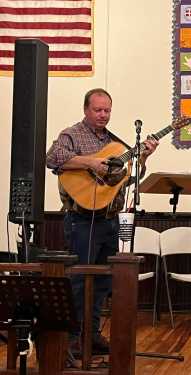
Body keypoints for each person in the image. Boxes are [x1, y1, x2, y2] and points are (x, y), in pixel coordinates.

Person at [46, 88, 159, 357]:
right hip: (81, 219)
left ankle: (92, 334)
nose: (103, 115)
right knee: (79, 279)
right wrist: (91, 163)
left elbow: (128, 177)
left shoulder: (116, 142)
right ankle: (72, 340)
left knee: (102, 284)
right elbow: (52, 158)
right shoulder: (72, 134)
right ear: (86, 109)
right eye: (98, 110)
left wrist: (142, 158)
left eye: (107, 110)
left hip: (110, 220)